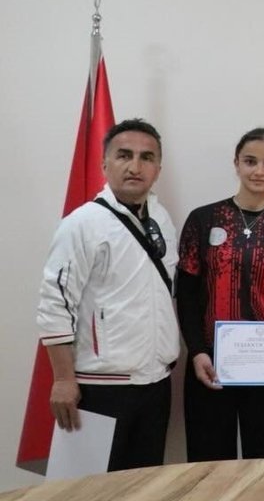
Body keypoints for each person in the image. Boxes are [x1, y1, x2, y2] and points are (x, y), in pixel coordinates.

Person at [36, 118, 179, 471]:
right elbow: (55, 302)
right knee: (90, 487)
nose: (135, 166)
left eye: (146, 157)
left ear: (158, 169)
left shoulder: (161, 219)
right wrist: (64, 379)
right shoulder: (82, 223)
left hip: (155, 382)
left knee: (143, 485)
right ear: (105, 163)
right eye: (124, 155)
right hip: (100, 385)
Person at [176, 127, 264, 461]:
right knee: (208, 466)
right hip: (209, 365)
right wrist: (197, 351)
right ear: (236, 163)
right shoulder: (203, 220)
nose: (259, 171)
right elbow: (187, 294)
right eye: (250, 161)